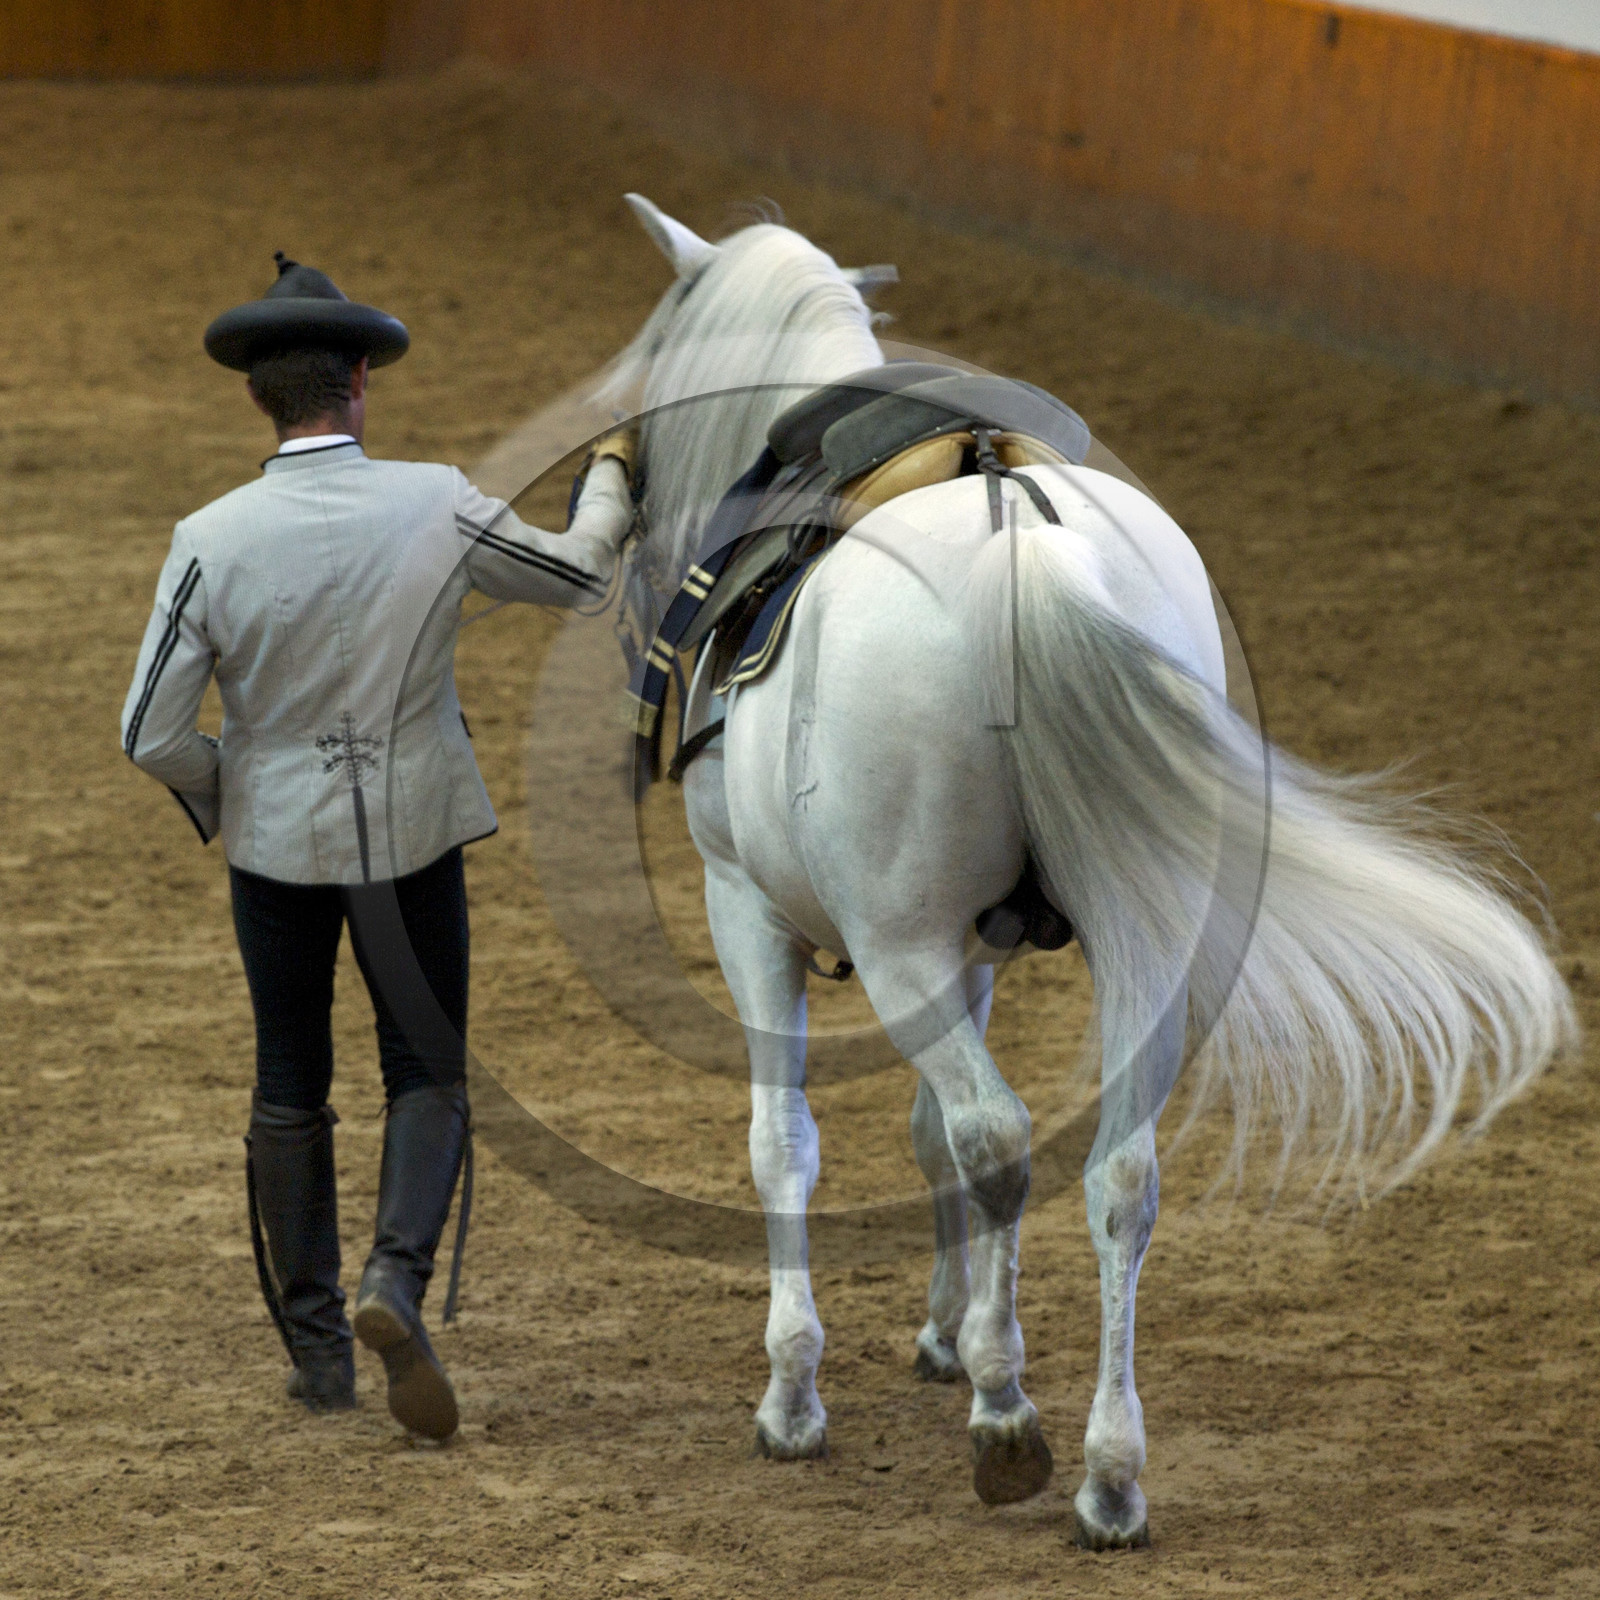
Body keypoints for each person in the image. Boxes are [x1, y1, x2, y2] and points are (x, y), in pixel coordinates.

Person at [120, 253, 635, 1439]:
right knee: (425, 1070)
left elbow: (148, 731)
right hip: (410, 837)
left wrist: (235, 786)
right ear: (359, 379)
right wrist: (611, 473)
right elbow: (577, 576)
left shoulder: (208, 536)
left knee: (288, 1080)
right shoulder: (432, 500)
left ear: (258, 393)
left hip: (275, 847)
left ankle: (317, 1357)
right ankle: (393, 1280)